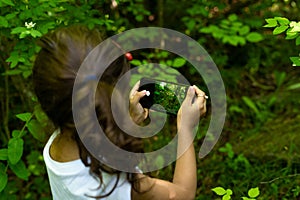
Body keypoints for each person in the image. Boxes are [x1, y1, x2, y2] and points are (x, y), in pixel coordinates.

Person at [33, 25, 207, 200]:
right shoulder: (120, 184)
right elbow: (183, 195)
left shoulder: (55, 144)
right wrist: (185, 128)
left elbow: (95, 140)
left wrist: (128, 123)